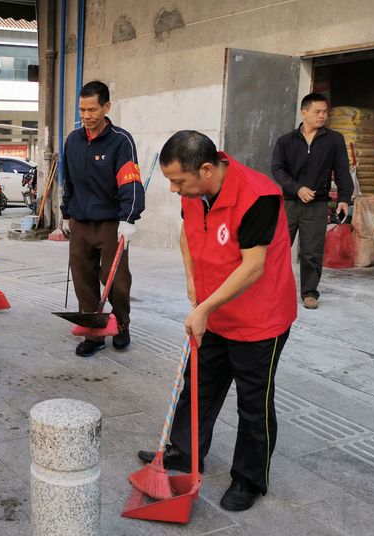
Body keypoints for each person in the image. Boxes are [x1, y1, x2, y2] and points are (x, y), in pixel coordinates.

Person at [137, 130, 296, 512]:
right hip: (213, 312)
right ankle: (185, 453)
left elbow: (254, 266)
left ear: (206, 169)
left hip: (260, 320)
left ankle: (249, 478)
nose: (175, 190)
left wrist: (205, 308)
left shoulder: (258, 195)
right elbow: (187, 236)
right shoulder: (195, 194)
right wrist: (193, 282)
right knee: (199, 386)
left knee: (253, 403)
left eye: (179, 181)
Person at [60, 80, 145, 357]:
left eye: (92, 109)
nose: (86, 116)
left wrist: (129, 218)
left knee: (117, 282)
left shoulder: (121, 141)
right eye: (82, 109)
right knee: (83, 281)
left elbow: (130, 181)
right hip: (81, 223)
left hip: (111, 225)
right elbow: (69, 181)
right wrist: (65, 213)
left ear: (106, 107)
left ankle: (121, 324)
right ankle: (93, 333)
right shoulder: (73, 140)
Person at [271, 93, 353, 309]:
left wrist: (344, 198)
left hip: (316, 205)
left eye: (325, 112)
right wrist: (297, 188)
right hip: (288, 203)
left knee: (312, 252)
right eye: (318, 112)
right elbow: (277, 169)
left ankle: (309, 293)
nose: (322, 116)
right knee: (277, 249)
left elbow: (343, 171)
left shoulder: (334, 140)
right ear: (303, 112)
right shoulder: (285, 141)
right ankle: (271, 289)